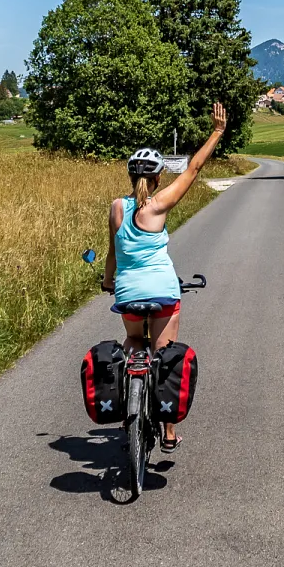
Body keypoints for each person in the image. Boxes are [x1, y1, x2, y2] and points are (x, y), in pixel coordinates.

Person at [102, 102, 228, 453]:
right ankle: (169, 431)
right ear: (157, 177)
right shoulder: (157, 206)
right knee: (165, 354)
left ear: (130, 177)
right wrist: (217, 131)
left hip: (127, 293)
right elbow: (194, 168)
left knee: (134, 343)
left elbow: (113, 251)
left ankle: (128, 383)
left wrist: (108, 281)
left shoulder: (117, 208)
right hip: (162, 291)